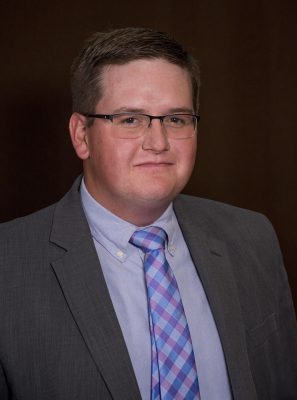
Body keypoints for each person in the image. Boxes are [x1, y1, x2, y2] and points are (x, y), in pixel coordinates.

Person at [0, 27, 296, 400]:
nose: (158, 143)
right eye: (130, 119)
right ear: (81, 135)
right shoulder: (7, 268)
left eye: (175, 119)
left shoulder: (253, 237)